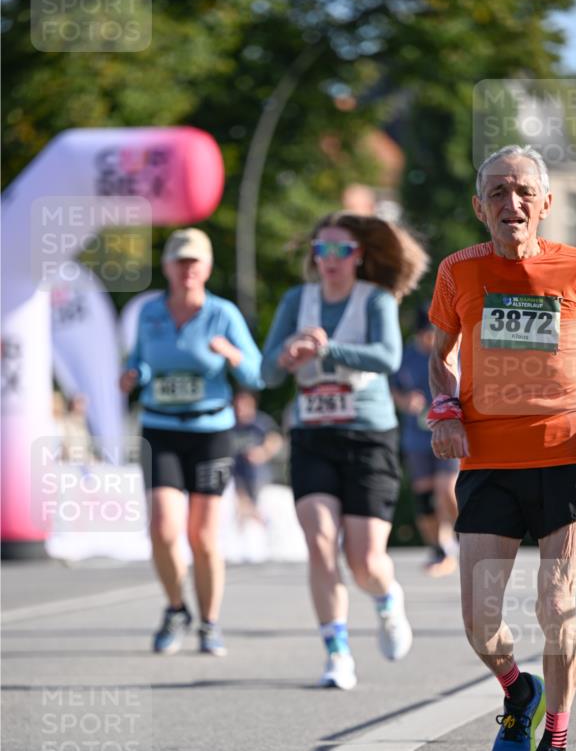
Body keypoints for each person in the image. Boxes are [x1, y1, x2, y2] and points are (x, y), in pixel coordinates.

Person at [427, 145, 576, 751]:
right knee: (480, 622)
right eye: (496, 192)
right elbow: (440, 355)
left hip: (564, 456)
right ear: (478, 206)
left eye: (522, 191)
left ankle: (554, 749)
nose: (509, 203)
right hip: (488, 461)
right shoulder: (457, 272)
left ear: (545, 204)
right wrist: (444, 409)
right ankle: (518, 690)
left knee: (555, 602)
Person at [262, 212, 428, 690]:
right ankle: (336, 652)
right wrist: (288, 354)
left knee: (365, 561)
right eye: (322, 250)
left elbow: (387, 358)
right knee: (318, 541)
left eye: (341, 251)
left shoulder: (373, 300)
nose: (330, 260)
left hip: (368, 436)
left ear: (358, 257)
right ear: (314, 256)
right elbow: (267, 374)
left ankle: (386, 599)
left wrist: (327, 348)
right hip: (313, 434)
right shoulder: (298, 300)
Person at [120, 228, 263, 656]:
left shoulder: (223, 315)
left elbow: (257, 374)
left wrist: (233, 356)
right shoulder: (150, 314)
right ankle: (175, 608)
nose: (187, 269)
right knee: (162, 529)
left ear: (207, 267)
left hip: (210, 431)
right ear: (166, 267)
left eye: (194, 262)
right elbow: (139, 360)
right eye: (180, 261)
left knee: (202, 536)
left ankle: (210, 622)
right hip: (160, 428)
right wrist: (134, 375)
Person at [391, 304, 459, 576]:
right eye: (424, 334)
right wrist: (405, 401)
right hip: (417, 437)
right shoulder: (406, 357)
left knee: (446, 489)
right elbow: (393, 388)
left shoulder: (451, 353)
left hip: (449, 432)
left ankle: (464, 538)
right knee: (425, 497)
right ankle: (438, 549)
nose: (428, 339)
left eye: (433, 333)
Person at [231, 390, 283, 521]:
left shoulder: (260, 422)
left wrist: (263, 452)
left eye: (244, 404)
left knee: (260, 514)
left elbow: (276, 439)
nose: (240, 409)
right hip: (237, 478)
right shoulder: (231, 424)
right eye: (237, 405)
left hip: (260, 478)